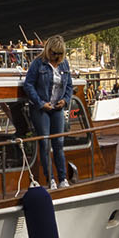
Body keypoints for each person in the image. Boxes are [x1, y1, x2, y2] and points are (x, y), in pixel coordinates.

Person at [19, 36, 75, 185]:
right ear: (48, 50)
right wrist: (40, 103)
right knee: (44, 143)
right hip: (41, 108)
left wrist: (65, 100)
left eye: (59, 54)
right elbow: (28, 85)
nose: (56, 57)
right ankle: (50, 179)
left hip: (57, 108)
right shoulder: (38, 64)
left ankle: (62, 179)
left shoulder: (64, 65)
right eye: (54, 53)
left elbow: (69, 86)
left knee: (59, 143)